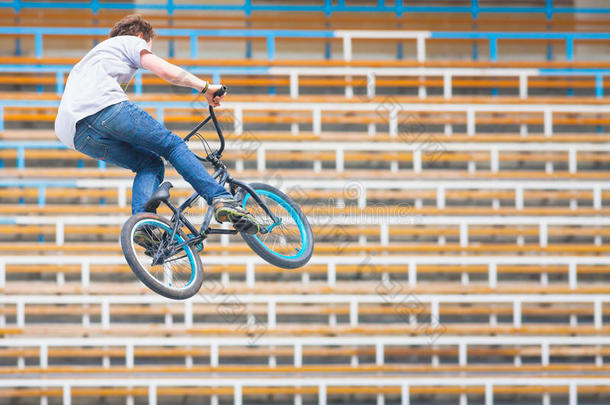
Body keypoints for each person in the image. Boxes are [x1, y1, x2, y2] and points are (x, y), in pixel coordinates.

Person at [54, 14, 259, 234]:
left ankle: (144, 226)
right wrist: (205, 87)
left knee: (149, 164)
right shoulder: (131, 41)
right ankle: (220, 199)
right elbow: (165, 71)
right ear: (141, 36)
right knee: (172, 146)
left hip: (76, 135)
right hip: (105, 108)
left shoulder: (93, 59)